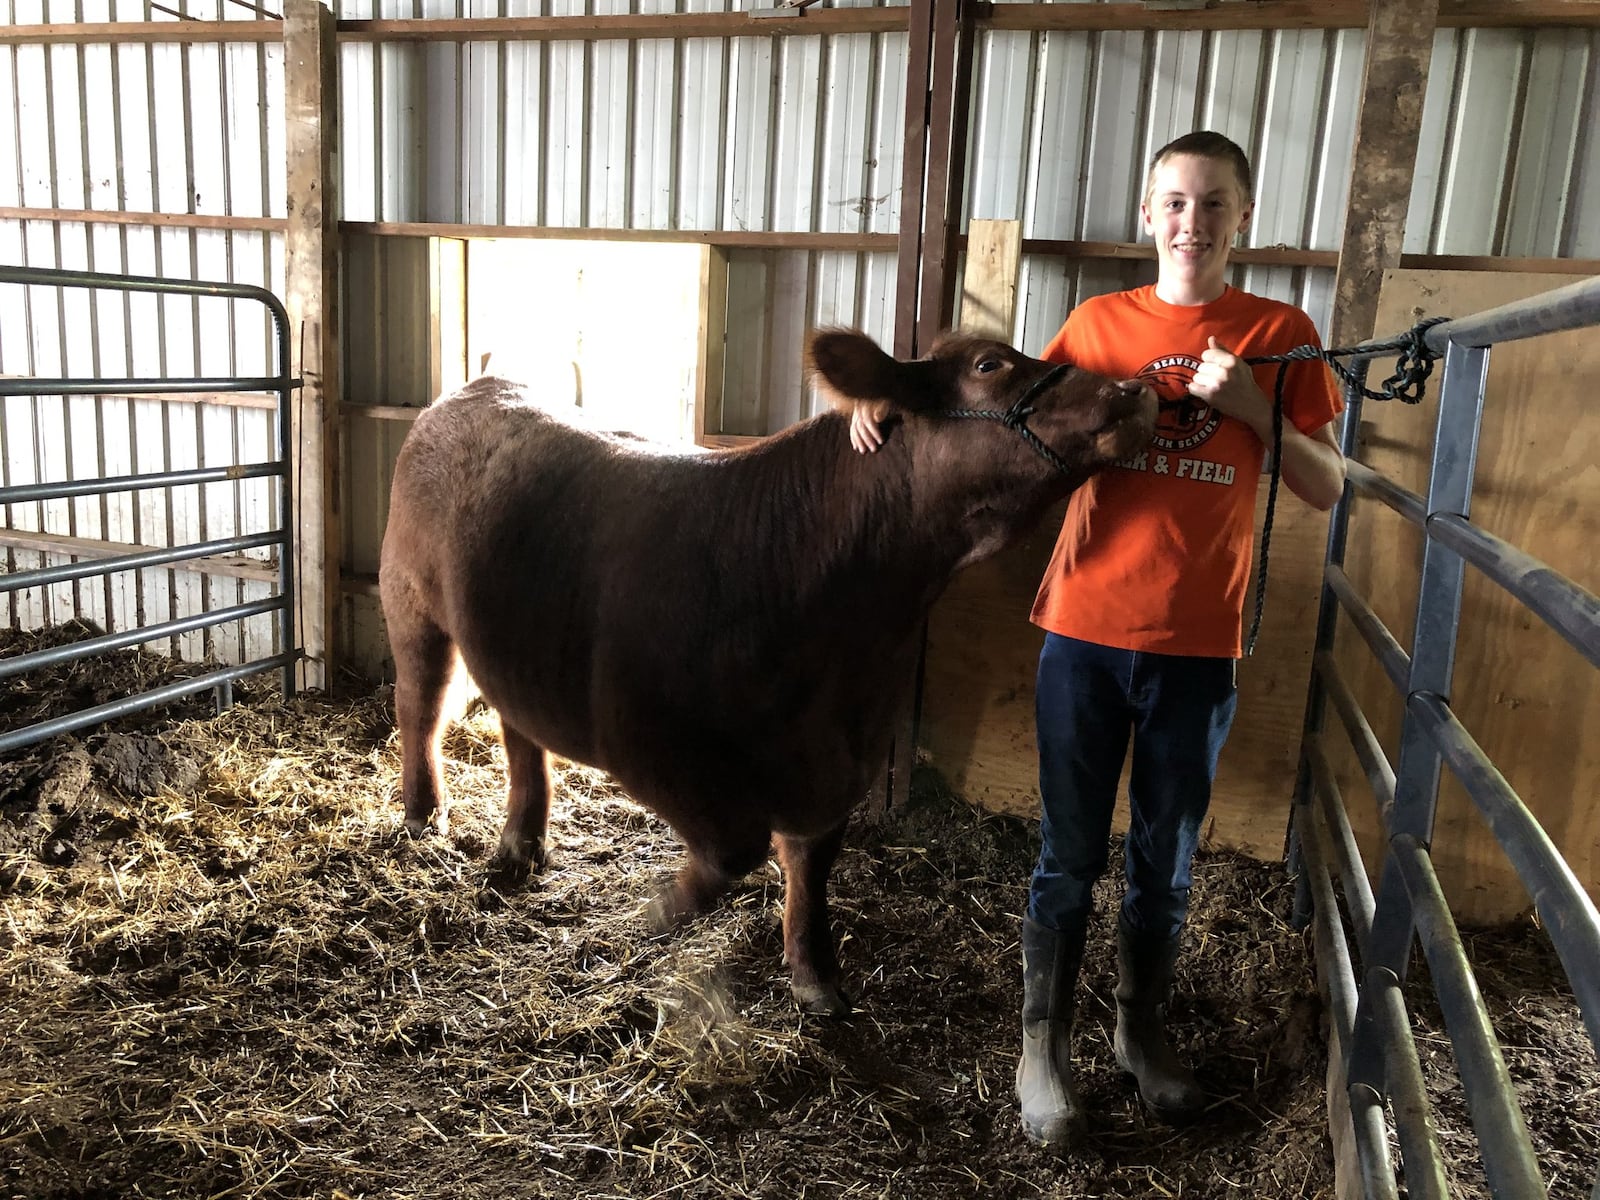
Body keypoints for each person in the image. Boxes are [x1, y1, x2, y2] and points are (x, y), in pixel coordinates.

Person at [849, 131, 1346, 1153]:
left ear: (1242, 217)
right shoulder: (1097, 324)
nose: (1190, 223)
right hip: (1082, 627)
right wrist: (893, 401)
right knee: (1065, 858)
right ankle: (1042, 1048)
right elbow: (1002, 410)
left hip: (1200, 642)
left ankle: (1139, 1033)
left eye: (1212, 204)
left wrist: (1255, 408)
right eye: (1173, 201)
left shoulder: (1281, 331)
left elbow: (1327, 484)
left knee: (1164, 861)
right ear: (1146, 213)